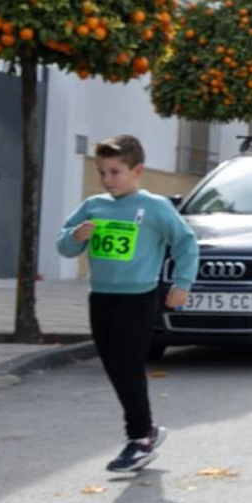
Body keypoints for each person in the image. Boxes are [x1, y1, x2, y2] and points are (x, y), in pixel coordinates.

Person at [55, 134, 198, 473]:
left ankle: (140, 438)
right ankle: (147, 430)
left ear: (137, 171)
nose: (107, 179)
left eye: (115, 172)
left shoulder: (155, 207)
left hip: (138, 298)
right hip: (101, 296)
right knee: (112, 364)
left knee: (126, 365)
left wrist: (182, 283)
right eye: (102, 172)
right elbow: (64, 245)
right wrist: (75, 236)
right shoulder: (93, 205)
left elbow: (186, 242)